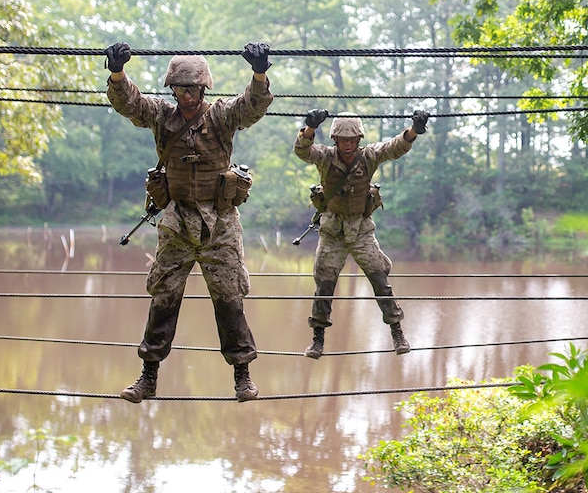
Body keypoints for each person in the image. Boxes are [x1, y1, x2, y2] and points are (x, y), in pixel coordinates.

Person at [104, 41, 274, 403]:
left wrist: (259, 74)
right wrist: (117, 73)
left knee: (230, 300)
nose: (185, 95)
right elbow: (129, 102)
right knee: (163, 298)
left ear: (203, 89)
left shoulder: (220, 117)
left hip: (220, 224)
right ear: (172, 90)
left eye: (192, 89)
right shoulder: (163, 117)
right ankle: (148, 377)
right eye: (179, 89)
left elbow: (251, 107)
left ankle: (242, 376)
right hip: (177, 221)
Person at [293, 107, 429, 358]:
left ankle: (397, 332)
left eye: (352, 139)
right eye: (343, 140)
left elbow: (394, 147)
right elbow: (303, 151)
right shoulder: (325, 156)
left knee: (380, 279)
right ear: (335, 140)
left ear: (359, 140)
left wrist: (414, 131)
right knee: (324, 283)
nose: (348, 144)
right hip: (333, 229)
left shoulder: (368, 156)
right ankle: (318, 338)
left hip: (361, 229)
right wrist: (310, 128)